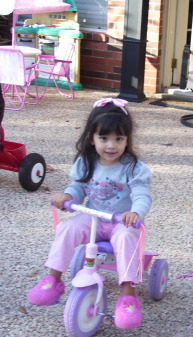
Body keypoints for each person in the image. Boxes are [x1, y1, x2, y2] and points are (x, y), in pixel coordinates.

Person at [27, 98, 152, 330]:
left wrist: (135, 212)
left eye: (119, 139)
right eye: (104, 138)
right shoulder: (86, 162)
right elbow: (78, 187)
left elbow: (142, 194)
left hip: (119, 220)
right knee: (68, 228)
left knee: (126, 237)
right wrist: (67, 196)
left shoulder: (133, 167)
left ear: (127, 140)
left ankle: (128, 295)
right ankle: (53, 279)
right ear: (91, 138)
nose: (111, 145)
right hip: (93, 217)